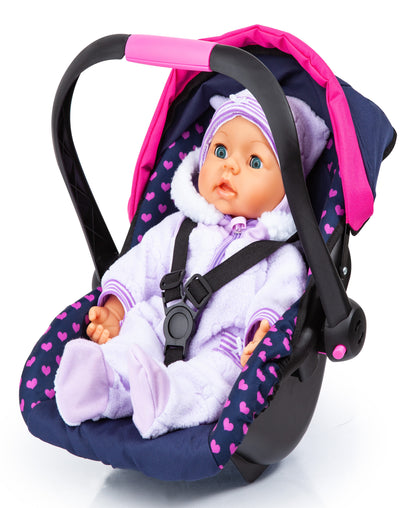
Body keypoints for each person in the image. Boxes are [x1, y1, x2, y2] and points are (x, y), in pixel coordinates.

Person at [54, 90, 329, 439]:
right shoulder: (178, 227)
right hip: (160, 317)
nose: (230, 166)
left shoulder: (280, 256)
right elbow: (141, 264)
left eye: (254, 161)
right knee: (135, 335)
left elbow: (281, 298)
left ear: (288, 188)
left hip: (225, 343)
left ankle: (166, 399)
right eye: (220, 150)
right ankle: (100, 381)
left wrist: (263, 332)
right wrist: (115, 307)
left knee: (214, 379)